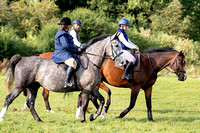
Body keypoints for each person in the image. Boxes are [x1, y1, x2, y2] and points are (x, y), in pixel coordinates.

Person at [51, 17, 81, 88]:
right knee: (72, 63)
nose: (69, 27)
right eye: (68, 26)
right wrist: (77, 50)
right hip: (61, 53)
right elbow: (66, 46)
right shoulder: (62, 34)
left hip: (65, 52)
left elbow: (69, 45)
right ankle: (66, 82)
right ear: (66, 26)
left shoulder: (64, 33)